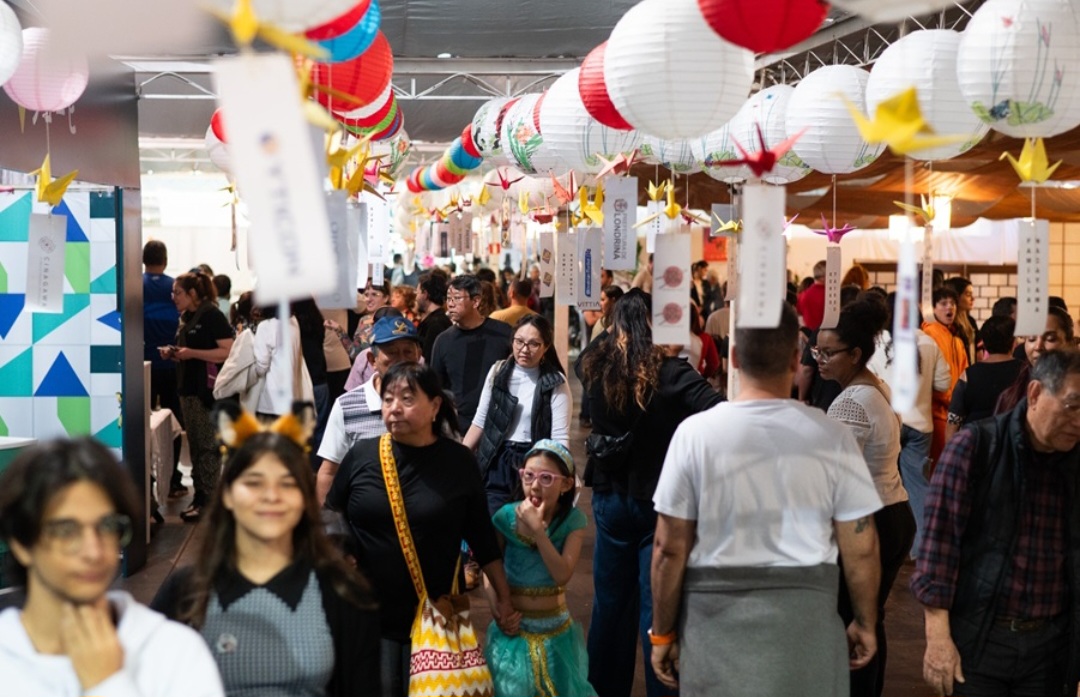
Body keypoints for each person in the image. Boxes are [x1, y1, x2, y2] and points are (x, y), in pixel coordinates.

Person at [649, 302, 882, 697]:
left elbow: (668, 548)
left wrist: (663, 633)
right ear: (795, 358)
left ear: (735, 357)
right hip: (806, 624)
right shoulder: (832, 436)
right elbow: (861, 546)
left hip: (714, 626)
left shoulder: (695, 434)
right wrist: (865, 621)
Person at [151, 406, 380, 697]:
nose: (271, 496)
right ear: (229, 496)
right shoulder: (187, 592)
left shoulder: (343, 592)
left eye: (286, 483)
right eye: (254, 482)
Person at [326, 363, 519, 696]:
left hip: (436, 616)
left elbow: (482, 538)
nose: (394, 408)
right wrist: (339, 553)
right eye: (387, 399)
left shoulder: (459, 462)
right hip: (369, 614)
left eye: (406, 398)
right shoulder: (361, 456)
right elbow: (332, 512)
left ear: (435, 406)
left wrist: (504, 599)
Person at [577, 288, 722, 697]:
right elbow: (718, 410)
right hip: (662, 502)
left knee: (609, 606)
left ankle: (604, 689)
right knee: (657, 608)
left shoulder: (595, 364)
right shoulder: (672, 373)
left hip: (609, 497)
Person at [0, 437, 225, 697]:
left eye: (107, 527)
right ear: (21, 542)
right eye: (67, 531)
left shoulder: (171, 651)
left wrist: (108, 685)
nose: (94, 551)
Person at [913, 349, 1080, 697]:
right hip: (981, 639)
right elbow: (939, 548)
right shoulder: (976, 447)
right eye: (1072, 405)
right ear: (1034, 394)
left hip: (1051, 649)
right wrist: (938, 638)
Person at [816, 295, 915, 697]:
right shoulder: (876, 388)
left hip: (870, 521)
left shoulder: (851, 403)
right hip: (893, 511)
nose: (819, 359)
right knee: (869, 618)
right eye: (815, 350)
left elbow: (838, 479)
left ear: (855, 353)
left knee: (851, 621)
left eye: (828, 352)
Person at [484, 440, 597, 697]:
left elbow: (562, 574)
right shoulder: (505, 516)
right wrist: (497, 607)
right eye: (529, 475)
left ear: (566, 484)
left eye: (546, 478)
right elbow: (490, 570)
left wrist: (538, 532)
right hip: (513, 630)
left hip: (556, 633)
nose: (535, 485)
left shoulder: (573, 521)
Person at [463, 315, 571, 514]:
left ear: (546, 347)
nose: (524, 349)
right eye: (519, 341)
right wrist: (460, 455)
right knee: (491, 524)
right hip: (496, 459)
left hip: (534, 464)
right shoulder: (498, 371)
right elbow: (480, 421)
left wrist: (561, 475)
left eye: (533, 344)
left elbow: (560, 437)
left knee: (525, 528)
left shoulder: (555, 382)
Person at [315, 315, 423, 505]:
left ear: (418, 356)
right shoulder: (347, 406)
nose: (402, 360)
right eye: (392, 353)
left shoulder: (432, 403)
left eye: (408, 352)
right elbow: (329, 470)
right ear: (372, 359)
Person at [161, 271, 234, 523]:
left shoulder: (211, 315)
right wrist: (175, 353)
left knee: (207, 448)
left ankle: (210, 502)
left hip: (205, 392)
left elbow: (227, 351)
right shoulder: (187, 317)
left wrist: (191, 353)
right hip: (187, 390)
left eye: (178, 292)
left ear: (192, 293)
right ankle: (201, 498)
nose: (173, 297)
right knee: (197, 446)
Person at [432, 274, 513, 434]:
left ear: (476, 301)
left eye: (457, 298)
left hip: (499, 426)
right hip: (460, 428)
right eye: (448, 298)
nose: (451, 304)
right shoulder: (443, 340)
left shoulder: (503, 333)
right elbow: (436, 386)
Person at [143, 240, 185, 497]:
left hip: (143, 364)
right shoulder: (175, 288)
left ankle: (145, 479)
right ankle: (174, 479)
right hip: (171, 363)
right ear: (165, 260)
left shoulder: (135, 284)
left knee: (143, 421)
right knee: (173, 422)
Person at [946, 316, 1021, 440]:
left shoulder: (968, 375)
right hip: (1011, 444)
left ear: (984, 343)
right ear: (1013, 342)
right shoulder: (1025, 371)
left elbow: (953, 421)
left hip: (975, 444)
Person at [921, 286, 969, 468]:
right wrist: (955, 402)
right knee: (940, 466)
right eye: (943, 303)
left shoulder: (955, 338)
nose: (950, 308)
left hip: (954, 412)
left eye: (953, 303)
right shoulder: (930, 334)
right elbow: (933, 380)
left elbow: (965, 374)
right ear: (933, 309)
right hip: (937, 413)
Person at [252, 304, 314, 420]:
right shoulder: (293, 322)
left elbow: (261, 368)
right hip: (292, 396)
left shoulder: (266, 327)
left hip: (271, 400)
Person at [326, 280, 391, 361]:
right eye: (366, 295)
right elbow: (354, 353)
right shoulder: (364, 320)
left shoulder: (393, 319)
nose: (368, 299)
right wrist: (338, 329)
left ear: (386, 298)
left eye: (374, 294)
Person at [415, 271, 453, 364]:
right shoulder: (436, 320)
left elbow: (429, 361)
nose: (416, 298)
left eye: (418, 293)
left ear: (425, 294)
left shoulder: (435, 324)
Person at [945, 276, 979, 366]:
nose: (973, 298)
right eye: (968, 295)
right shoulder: (949, 323)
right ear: (956, 296)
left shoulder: (971, 321)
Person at [797, 260, 827, 330]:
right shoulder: (830, 295)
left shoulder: (803, 295)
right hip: (824, 335)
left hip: (808, 335)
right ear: (825, 276)